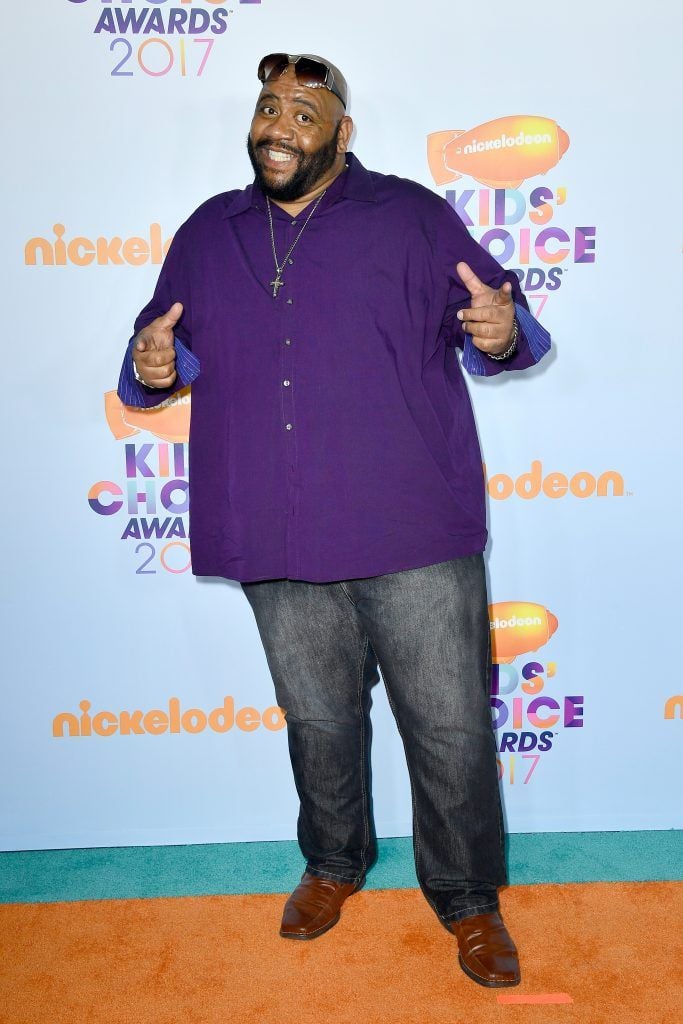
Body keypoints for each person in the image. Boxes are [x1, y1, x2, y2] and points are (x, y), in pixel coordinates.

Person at [118, 52, 551, 989]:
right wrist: (151, 368)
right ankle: (332, 862)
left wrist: (504, 333)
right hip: (276, 528)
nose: (279, 125)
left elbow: (509, 325)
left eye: (304, 113)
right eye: (268, 108)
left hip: (411, 526)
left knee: (446, 728)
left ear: (342, 132)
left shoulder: (410, 216)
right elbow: (157, 351)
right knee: (316, 717)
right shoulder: (208, 230)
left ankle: (469, 900)